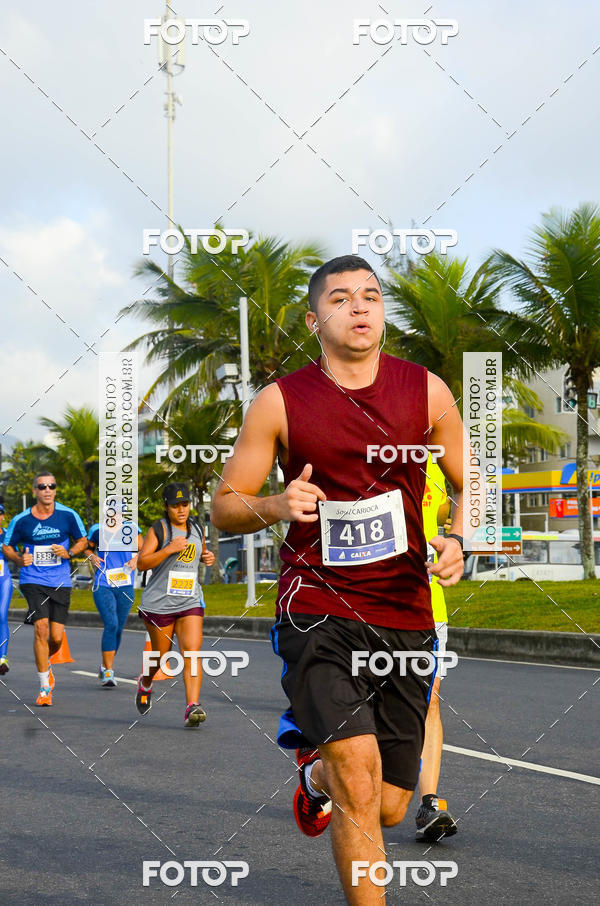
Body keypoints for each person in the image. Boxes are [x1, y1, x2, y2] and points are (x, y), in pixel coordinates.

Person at [211, 255, 466, 906]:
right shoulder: (280, 402)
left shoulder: (427, 392)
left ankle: (314, 779)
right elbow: (226, 505)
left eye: (372, 296)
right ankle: (334, 776)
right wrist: (272, 506)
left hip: (404, 613)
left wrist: (459, 538)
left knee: (385, 804)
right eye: (343, 297)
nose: (360, 307)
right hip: (317, 608)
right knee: (360, 774)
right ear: (314, 318)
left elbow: (475, 483)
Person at [1, 472, 87, 706]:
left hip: (60, 582)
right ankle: (44, 686)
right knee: (41, 628)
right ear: (35, 491)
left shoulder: (68, 515)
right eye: (42, 486)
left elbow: (83, 540)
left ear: (55, 490)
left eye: (51, 486)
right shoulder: (22, 520)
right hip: (33, 580)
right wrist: (19, 560)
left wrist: (68, 553)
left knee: (56, 638)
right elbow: (7, 546)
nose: (47, 490)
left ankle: (45, 663)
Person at [135, 482, 215, 727]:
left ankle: (192, 705)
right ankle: (146, 683)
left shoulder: (196, 528)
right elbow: (142, 563)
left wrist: (206, 556)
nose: (181, 510)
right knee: (160, 656)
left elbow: (195, 554)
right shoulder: (159, 530)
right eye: (175, 506)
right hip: (159, 603)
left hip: (189, 599)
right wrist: (169, 549)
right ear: (166, 507)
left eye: (185, 504)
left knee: (191, 651)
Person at [416, 454, 458, 841]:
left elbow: (447, 504)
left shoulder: (433, 461)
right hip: (367, 603)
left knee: (430, 700)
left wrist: (454, 539)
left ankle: (429, 803)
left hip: (429, 603)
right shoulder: (363, 444)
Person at [87, 505, 143, 687]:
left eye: (119, 512)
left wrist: (136, 559)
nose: (115, 516)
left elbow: (144, 549)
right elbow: (87, 548)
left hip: (125, 586)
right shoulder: (97, 529)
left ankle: (104, 665)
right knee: (111, 624)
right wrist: (92, 557)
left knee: (118, 628)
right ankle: (109, 672)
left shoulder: (132, 528)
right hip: (104, 584)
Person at [0, 504, 13, 675]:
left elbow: (17, 554)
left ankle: (2, 658)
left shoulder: (8, 535)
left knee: (2, 615)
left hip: (4, 580)